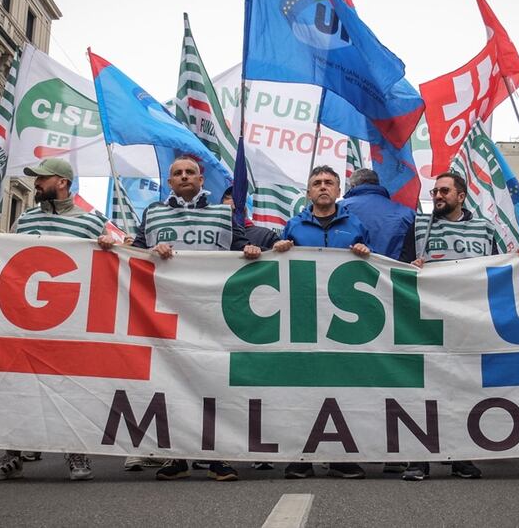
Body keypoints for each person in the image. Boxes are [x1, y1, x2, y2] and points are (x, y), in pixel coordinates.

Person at [0, 158, 116, 483]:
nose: (36, 183)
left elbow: (116, 262)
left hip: (72, 321)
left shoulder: (93, 222)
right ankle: (12, 455)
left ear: (62, 182)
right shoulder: (26, 219)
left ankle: (76, 452)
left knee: (71, 388)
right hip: (27, 320)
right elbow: (8, 257)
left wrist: (111, 246)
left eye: (43, 178)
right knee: (18, 386)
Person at [126, 156, 260, 482]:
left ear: (201, 180)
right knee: (172, 384)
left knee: (213, 384)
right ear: (169, 182)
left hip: (212, 313)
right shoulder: (153, 213)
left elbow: (241, 245)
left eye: (190, 172)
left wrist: (253, 251)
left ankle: (216, 457)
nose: (184, 176)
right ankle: (178, 457)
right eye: (178, 173)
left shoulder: (223, 213)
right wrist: (146, 250)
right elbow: (135, 253)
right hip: (167, 313)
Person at [273, 165, 369, 479]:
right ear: (309, 192)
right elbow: (275, 269)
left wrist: (366, 253)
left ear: (339, 191)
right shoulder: (293, 226)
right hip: (303, 320)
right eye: (317, 183)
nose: (323, 187)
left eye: (329, 182)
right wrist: (279, 251)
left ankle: (341, 457)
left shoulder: (356, 226)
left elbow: (375, 270)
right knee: (302, 389)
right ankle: (301, 457)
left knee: (343, 388)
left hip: (343, 323)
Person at [396, 172, 489, 481]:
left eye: (444, 191)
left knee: (462, 389)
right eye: (435, 191)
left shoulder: (484, 228)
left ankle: (460, 456)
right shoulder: (419, 226)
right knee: (424, 390)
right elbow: (399, 264)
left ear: (461, 196)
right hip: (427, 320)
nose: (437, 195)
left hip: (468, 321)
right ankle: (419, 458)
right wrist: (411, 266)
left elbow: (500, 267)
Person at [340, 167, 414, 259]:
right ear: (377, 183)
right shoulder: (408, 213)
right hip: (390, 267)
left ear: (353, 186)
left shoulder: (340, 208)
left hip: (347, 266)